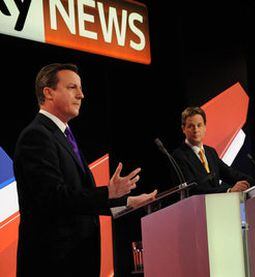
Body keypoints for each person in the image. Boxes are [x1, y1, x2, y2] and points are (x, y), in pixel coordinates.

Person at [13, 63, 157, 277]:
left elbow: (79, 202)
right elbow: (54, 198)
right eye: (72, 87)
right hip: (53, 265)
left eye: (80, 88)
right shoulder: (36, 136)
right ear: (48, 92)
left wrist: (127, 203)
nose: (81, 95)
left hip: (77, 262)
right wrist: (108, 192)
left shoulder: (62, 135)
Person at [172, 106, 255, 195]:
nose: (196, 130)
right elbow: (192, 190)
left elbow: (231, 174)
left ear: (205, 127)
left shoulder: (210, 152)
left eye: (199, 125)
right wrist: (228, 191)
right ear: (183, 129)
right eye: (191, 126)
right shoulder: (179, 156)